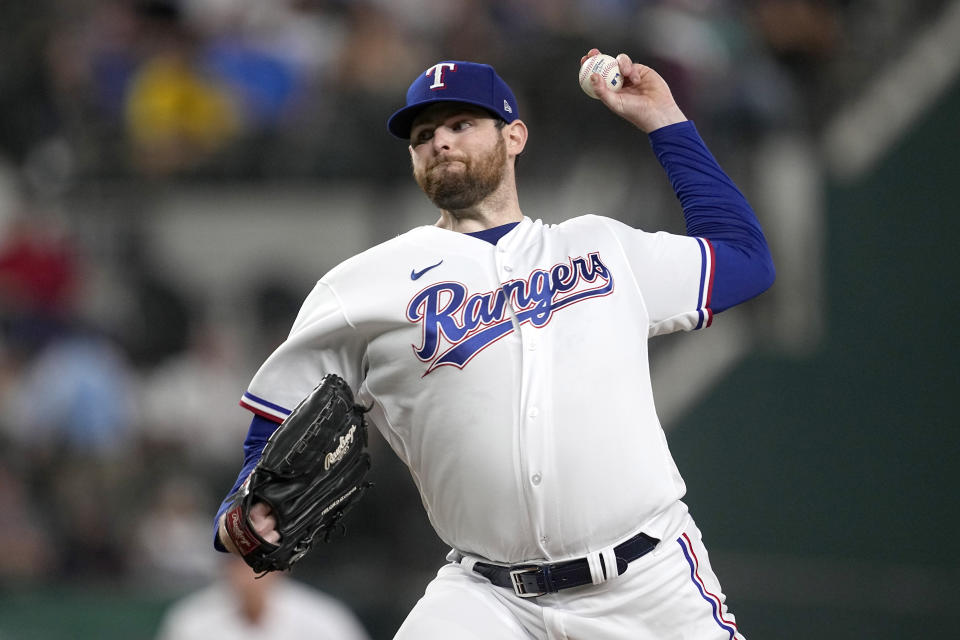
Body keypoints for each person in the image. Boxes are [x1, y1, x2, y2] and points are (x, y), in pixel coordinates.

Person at [215, 49, 775, 639]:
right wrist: (242, 505)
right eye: (424, 134)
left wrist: (666, 121)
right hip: (487, 600)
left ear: (515, 136)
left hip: (647, 583)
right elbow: (276, 424)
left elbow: (745, 260)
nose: (441, 142)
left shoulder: (603, 249)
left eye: (461, 125)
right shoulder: (361, 287)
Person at [155, 553, 371, 640]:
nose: (250, 573)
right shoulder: (192, 621)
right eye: (240, 561)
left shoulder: (324, 619)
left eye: (260, 562)